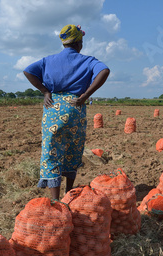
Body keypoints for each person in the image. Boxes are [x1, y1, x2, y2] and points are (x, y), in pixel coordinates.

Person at [23, 24, 110, 200]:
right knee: (73, 150)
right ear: (79, 43)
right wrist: (85, 95)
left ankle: (55, 201)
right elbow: (104, 71)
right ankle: (68, 194)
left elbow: (28, 71)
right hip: (75, 107)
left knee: (51, 152)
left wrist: (45, 91)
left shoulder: (49, 60)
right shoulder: (88, 61)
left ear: (64, 43)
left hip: (52, 108)